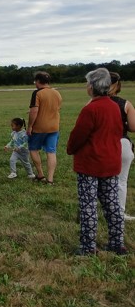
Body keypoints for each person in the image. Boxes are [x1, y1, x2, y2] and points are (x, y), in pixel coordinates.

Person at [66, 68, 125, 255]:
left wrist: (70, 148)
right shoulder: (114, 106)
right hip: (111, 162)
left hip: (91, 164)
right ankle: (117, 243)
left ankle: (88, 247)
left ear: (92, 86)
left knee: (88, 206)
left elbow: (78, 136)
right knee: (112, 205)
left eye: (87, 83)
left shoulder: (91, 109)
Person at [27, 71, 63, 184]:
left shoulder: (37, 93)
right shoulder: (57, 93)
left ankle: (40, 174)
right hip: (54, 127)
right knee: (51, 152)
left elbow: (34, 111)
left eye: (35, 81)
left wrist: (30, 127)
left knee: (33, 149)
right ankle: (50, 179)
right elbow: (56, 109)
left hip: (39, 128)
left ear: (38, 81)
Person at [109, 72, 135, 220]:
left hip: (100, 144)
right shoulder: (125, 104)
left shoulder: (92, 103)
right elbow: (132, 127)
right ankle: (119, 213)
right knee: (121, 181)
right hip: (121, 143)